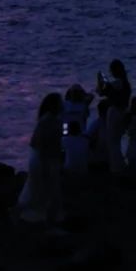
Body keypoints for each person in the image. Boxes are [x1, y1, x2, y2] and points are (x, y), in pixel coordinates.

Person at [16, 94, 64, 226]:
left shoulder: (52, 120)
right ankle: (43, 217)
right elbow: (42, 143)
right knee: (42, 188)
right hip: (43, 158)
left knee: (43, 188)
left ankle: (47, 216)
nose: (63, 104)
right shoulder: (48, 121)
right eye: (60, 103)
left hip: (46, 157)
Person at [96, 60, 131, 172]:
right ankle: (120, 165)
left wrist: (100, 81)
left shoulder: (117, 83)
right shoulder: (124, 83)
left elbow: (101, 92)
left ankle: (117, 167)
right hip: (123, 112)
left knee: (112, 142)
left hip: (115, 112)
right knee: (116, 140)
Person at [62, 87, 91, 177]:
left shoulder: (65, 105)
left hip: (66, 131)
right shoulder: (83, 106)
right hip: (80, 133)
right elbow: (91, 96)